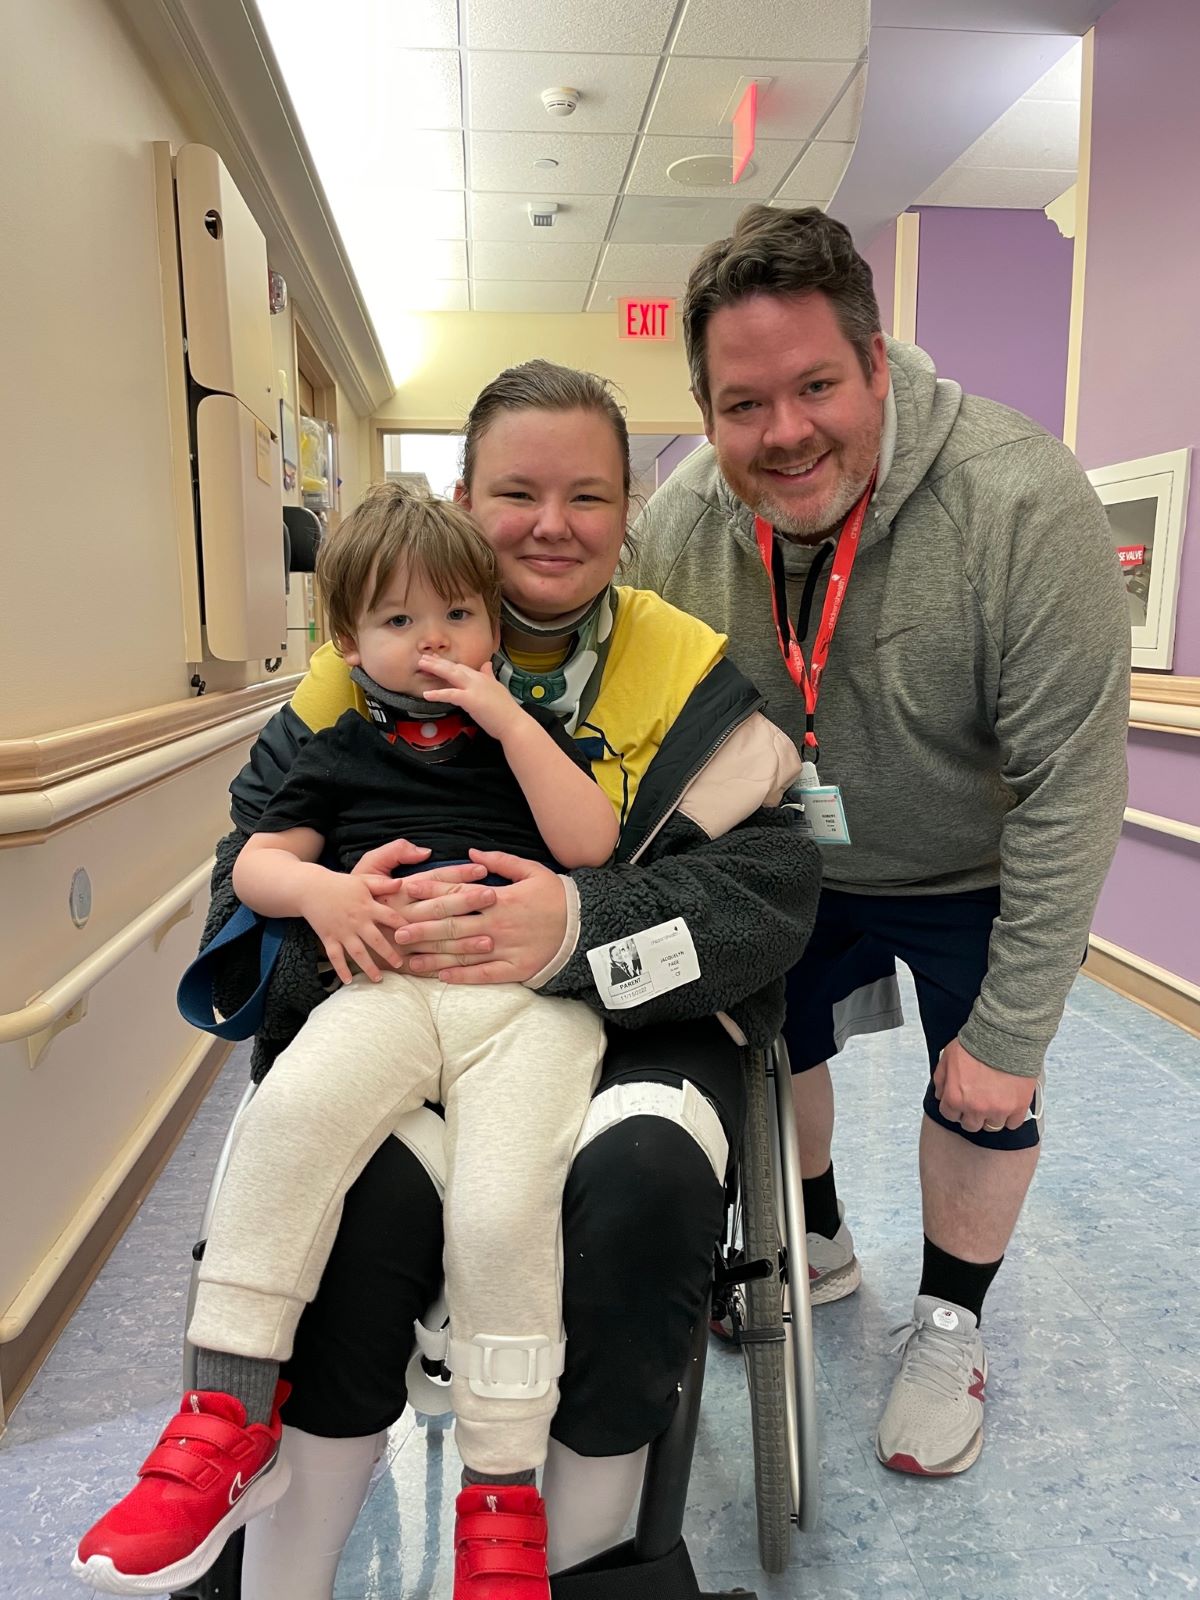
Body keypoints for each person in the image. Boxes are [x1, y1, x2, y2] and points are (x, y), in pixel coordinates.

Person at [98, 362, 821, 1600]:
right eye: (517, 493)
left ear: (628, 516)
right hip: (394, 1006)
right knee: (356, 1194)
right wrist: (359, 918)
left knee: (642, 1190)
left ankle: (583, 1558)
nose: (553, 524)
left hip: (617, 1023)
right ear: (464, 501)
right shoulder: (356, 677)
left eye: (589, 496)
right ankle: (277, 1559)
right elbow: (243, 883)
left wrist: (576, 928)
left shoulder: (688, 673)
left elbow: (770, 896)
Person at [629, 203, 1131, 1478]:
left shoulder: (1019, 498)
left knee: (985, 1088)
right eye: (743, 404)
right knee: (768, 1033)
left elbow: (1073, 786)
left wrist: (1012, 1036)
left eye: (816, 386)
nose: (785, 431)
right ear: (706, 408)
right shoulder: (681, 525)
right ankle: (819, 1235)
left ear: (874, 362)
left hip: (974, 861)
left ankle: (951, 1321)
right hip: (787, 856)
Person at [73, 488, 625, 1597]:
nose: (434, 642)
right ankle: (224, 1413)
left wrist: (513, 719)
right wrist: (322, 893)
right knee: (286, 1118)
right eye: (399, 621)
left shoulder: (536, 738)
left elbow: (592, 843)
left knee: (503, 1205)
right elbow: (254, 866)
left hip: (526, 1006)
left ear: (495, 626)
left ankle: (502, 1492)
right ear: (346, 641)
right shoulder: (334, 751)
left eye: (459, 615)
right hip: (385, 994)